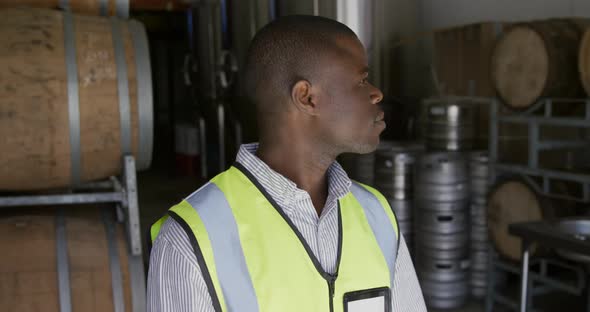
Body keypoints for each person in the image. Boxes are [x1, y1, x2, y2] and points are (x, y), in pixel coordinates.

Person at [147, 15, 426, 312]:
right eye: (360, 80)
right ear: (306, 97)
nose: (376, 93)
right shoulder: (191, 239)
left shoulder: (377, 215)